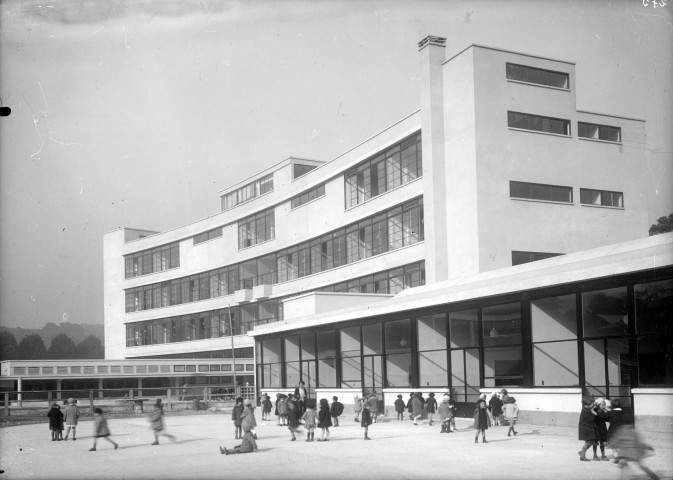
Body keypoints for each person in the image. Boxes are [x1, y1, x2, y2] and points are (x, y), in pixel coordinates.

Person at [578, 396, 598, 461]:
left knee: (590, 441)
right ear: (588, 404)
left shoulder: (585, 409)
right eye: (593, 403)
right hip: (586, 429)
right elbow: (592, 418)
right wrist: (594, 413)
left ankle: (582, 452)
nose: (594, 404)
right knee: (588, 442)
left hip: (586, 428)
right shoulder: (586, 411)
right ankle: (582, 456)